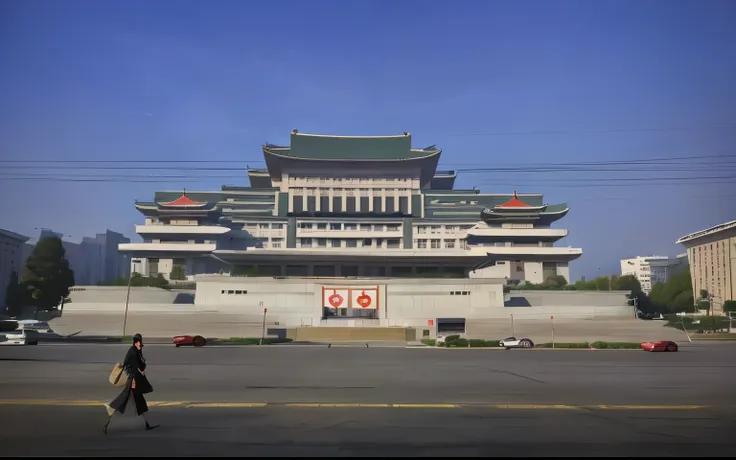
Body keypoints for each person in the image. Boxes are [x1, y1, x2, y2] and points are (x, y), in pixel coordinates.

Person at [103, 333, 158, 434]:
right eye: (139, 343)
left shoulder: (134, 351)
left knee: (136, 402)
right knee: (125, 401)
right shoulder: (133, 352)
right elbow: (138, 367)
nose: (140, 345)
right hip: (132, 381)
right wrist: (141, 371)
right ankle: (110, 412)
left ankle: (146, 424)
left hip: (133, 381)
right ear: (136, 342)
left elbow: (139, 366)